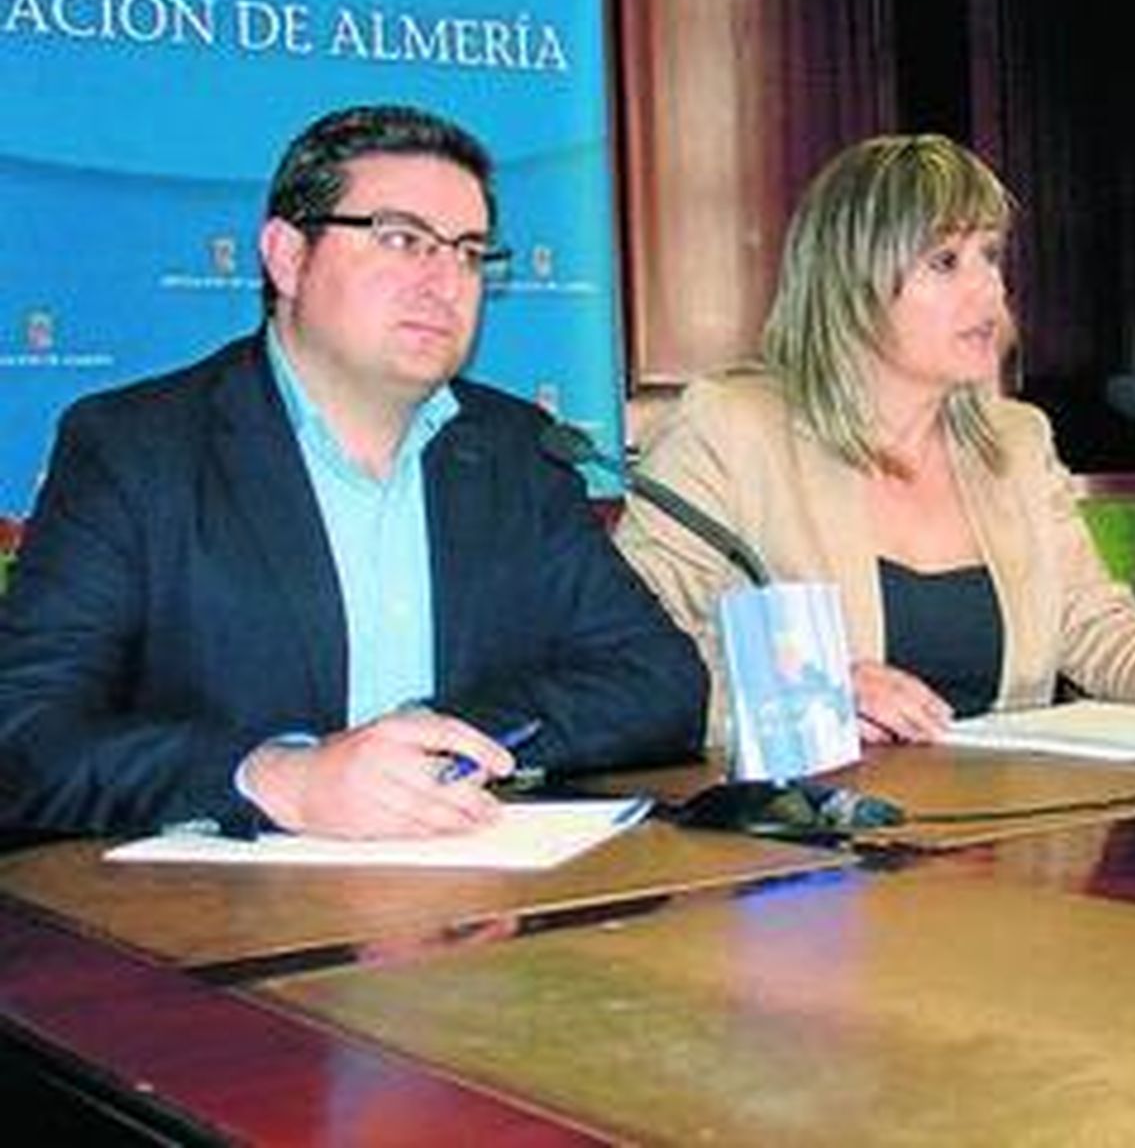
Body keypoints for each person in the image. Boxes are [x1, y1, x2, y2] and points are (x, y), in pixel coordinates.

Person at [0, 104, 706, 838]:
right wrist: (283, 776)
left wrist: (434, 745)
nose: (446, 282)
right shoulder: (134, 448)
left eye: (469, 251)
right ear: (286, 256)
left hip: (477, 898)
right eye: (402, 239)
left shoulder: (517, 449)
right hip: (216, 924)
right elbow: (26, 734)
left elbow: (660, 682)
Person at [614, 134, 1135, 746]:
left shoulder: (1017, 442)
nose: (989, 287)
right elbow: (627, 654)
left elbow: (1094, 626)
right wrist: (803, 694)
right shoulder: (733, 427)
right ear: (850, 282)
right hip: (812, 842)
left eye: (991, 256)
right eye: (945, 260)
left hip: (999, 831)